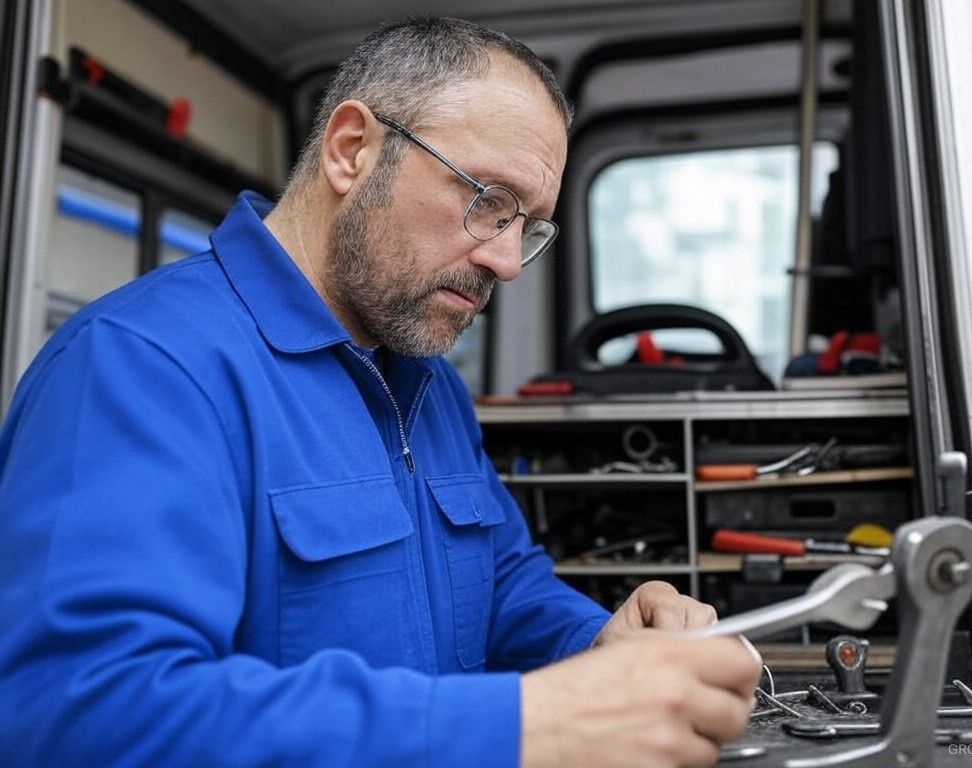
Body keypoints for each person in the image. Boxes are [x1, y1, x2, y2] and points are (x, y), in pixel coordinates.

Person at [0, 17, 761, 768]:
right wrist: (520, 730)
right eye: (488, 201)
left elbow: (498, 584)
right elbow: (78, 714)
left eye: (527, 226)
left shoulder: (428, 383)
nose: (507, 262)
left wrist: (596, 639)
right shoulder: (141, 368)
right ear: (351, 151)